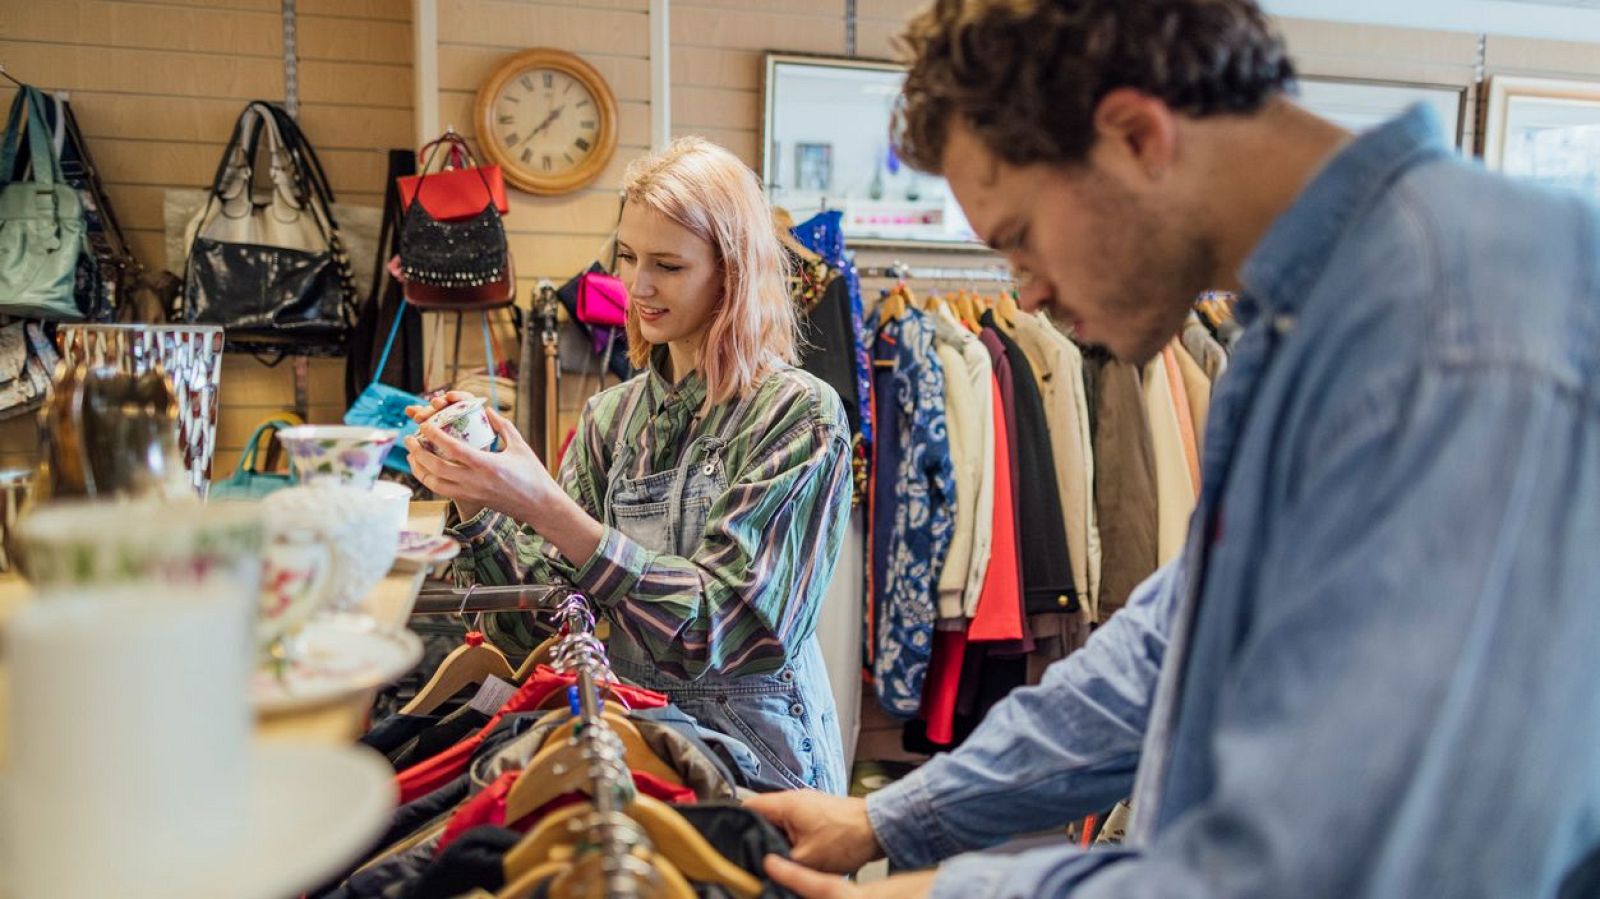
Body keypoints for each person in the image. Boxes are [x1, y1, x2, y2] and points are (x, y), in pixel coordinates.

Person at [746, 1, 1600, 896]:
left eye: (1021, 239)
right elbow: (1170, 652)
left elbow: (1340, 860)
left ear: (1136, 137)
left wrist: (948, 891)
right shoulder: (1312, 319)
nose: (1026, 296)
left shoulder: (1448, 337)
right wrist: (891, 818)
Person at [406, 137, 853, 795]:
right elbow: (541, 623)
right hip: (636, 749)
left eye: (667, 264)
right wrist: (476, 492)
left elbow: (729, 625)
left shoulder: (797, 414)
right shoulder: (611, 419)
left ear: (732, 271)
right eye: (627, 256)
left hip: (763, 771)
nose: (635, 286)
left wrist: (543, 506)